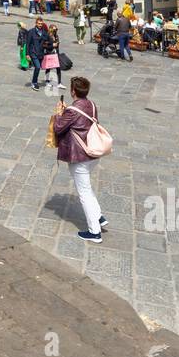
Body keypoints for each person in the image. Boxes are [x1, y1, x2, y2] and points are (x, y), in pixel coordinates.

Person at [51, 76, 108, 243]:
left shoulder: (71, 111)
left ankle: (94, 232)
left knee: (84, 193)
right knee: (86, 187)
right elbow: (79, 118)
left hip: (80, 156)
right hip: (93, 154)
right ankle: (99, 217)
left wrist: (58, 114)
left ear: (72, 91)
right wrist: (66, 111)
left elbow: (58, 128)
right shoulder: (91, 104)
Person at [27, 17, 51, 91]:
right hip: (33, 52)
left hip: (41, 53)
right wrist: (27, 54)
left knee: (39, 68)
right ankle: (34, 83)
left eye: (41, 24)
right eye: (39, 23)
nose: (40, 25)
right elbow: (28, 43)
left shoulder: (44, 32)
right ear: (36, 23)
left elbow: (49, 41)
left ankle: (36, 80)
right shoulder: (31, 32)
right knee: (37, 67)